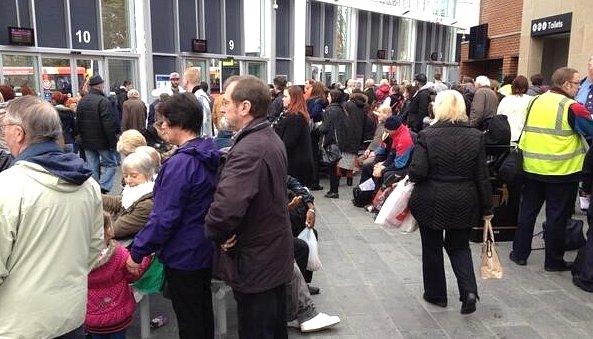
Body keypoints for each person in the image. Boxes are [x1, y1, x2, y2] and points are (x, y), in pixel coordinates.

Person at [0, 96, 104, 337]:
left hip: (18, 325)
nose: (3, 135)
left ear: (18, 133)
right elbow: (94, 247)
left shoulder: (8, 186)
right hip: (71, 316)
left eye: (4, 128)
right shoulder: (88, 183)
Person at [205, 75, 293, 339]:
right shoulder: (265, 136)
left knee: (258, 329)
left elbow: (224, 210)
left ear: (244, 107)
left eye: (226, 102)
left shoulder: (249, 149)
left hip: (257, 259)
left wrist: (219, 235)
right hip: (269, 253)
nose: (221, 107)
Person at [127, 93, 220, 339]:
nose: (161, 128)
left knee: (190, 319)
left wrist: (137, 251)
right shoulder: (206, 152)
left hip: (184, 252)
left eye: (162, 122)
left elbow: (164, 217)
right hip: (202, 246)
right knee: (201, 312)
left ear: (176, 122)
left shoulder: (181, 164)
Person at [408, 90, 492, 315]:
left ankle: (436, 295)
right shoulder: (476, 136)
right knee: (460, 246)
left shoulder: (427, 135)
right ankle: (469, 292)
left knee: (432, 247)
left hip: (432, 198)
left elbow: (418, 171)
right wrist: (487, 209)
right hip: (465, 198)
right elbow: (482, 176)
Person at [510, 67, 593, 271]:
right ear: (566, 85)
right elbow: (590, 130)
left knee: (528, 212)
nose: (579, 86)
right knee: (557, 217)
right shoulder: (572, 107)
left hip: (532, 168)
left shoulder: (536, 100)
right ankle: (553, 261)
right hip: (562, 172)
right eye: (576, 83)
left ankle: (519, 253)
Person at [86, 213, 150, 338]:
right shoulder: (119, 254)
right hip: (118, 315)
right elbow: (133, 274)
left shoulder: (79, 260)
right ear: (106, 231)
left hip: (92, 318)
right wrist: (145, 257)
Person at [76, 75, 119, 193]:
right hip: (102, 141)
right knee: (111, 164)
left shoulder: (82, 101)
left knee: (92, 166)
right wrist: (113, 143)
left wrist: (80, 137)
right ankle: (103, 186)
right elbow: (108, 124)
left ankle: (94, 190)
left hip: (87, 140)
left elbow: (78, 122)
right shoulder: (103, 101)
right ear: (100, 86)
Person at [102, 151, 155, 241]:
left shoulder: (146, 204)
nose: (128, 180)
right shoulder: (135, 190)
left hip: (130, 245)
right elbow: (118, 202)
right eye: (126, 176)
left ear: (147, 174)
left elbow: (115, 230)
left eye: (134, 176)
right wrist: (93, 196)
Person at [275, 85, 315, 187]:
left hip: (295, 164)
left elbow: (288, 143)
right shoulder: (292, 114)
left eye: (285, 96)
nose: (283, 99)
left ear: (293, 98)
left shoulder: (295, 116)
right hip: (297, 162)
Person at [321, 88, 348, 199]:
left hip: (332, 141)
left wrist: (317, 129)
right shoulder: (342, 109)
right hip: (340, 141)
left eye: (329, 96)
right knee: (335, 166)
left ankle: (333, 190)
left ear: (333, 97)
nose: (327, 98)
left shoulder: (330, 110)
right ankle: (334, 189)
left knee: (332, 167)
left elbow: (325, 127)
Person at [496, 75, 533, 142]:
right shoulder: (530, 100)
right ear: (526, 87)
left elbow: (498, 117)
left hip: (507, 136)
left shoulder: (505, 100)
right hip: (523, 137)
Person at [307, 82, 328, 191]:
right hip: (315, 129)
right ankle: (315, 182)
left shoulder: (309, 100)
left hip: (309, 129)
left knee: (311, 154)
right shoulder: (319, 101)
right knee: (315, 156)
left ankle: (309, 179)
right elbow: (316, 114)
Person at [182, 67, 213, 138]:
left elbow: (203, 122)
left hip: (200, 143)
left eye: (183, 78)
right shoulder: (196, 96)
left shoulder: (199, 97)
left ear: (186, 81)